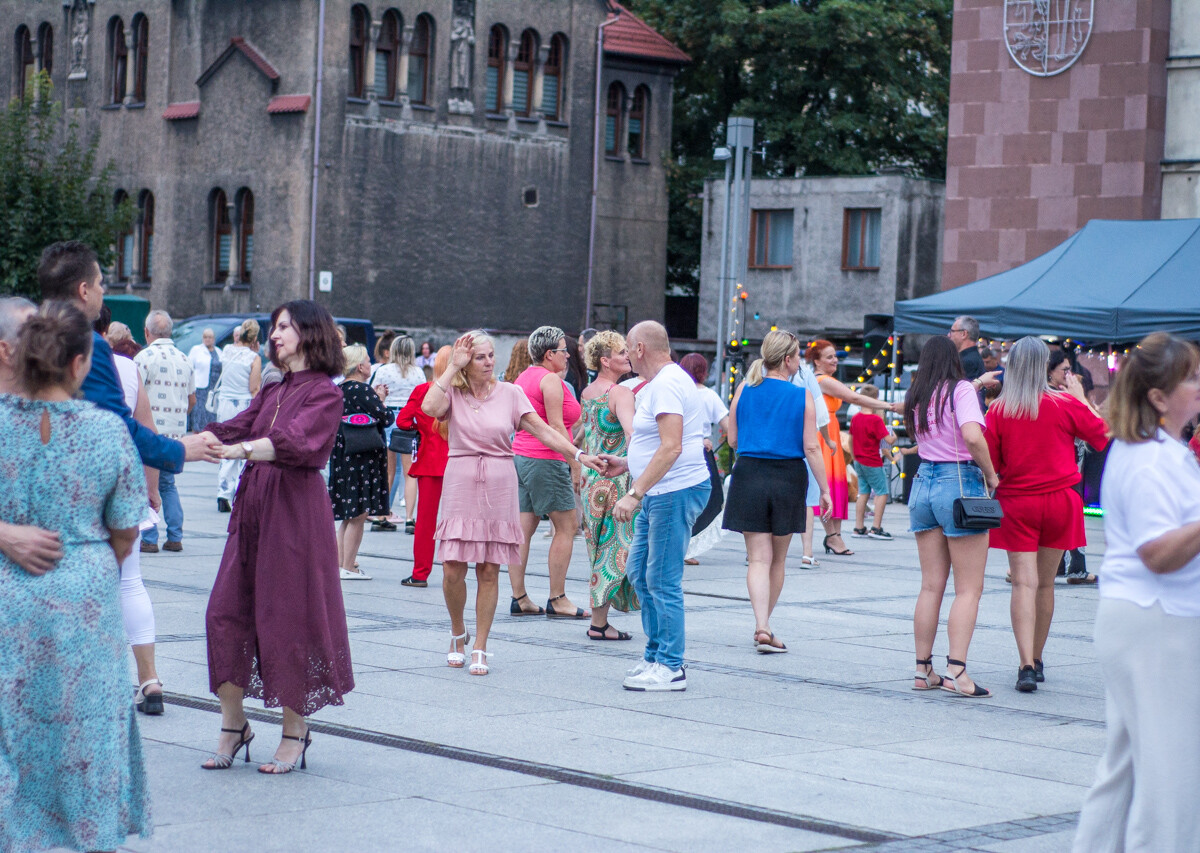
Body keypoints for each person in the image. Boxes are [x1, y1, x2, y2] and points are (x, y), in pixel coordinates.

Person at [0, 301, 150, 851]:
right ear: (81, 364)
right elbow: (126, 527)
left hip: (7, 595)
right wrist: (93, 557)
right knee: (86, 728)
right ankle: (88, 835)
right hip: (84, 589)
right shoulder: (108, 431)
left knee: (11, 728)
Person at [198, 300, 354, 774]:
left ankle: (295, 732)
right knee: (224, 614)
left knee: (289, 619)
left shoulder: (325, 393)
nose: (275, 334)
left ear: (310, 333)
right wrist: (167, 447)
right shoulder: (274, 389)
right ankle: (234, 725)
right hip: (253, 512)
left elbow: (295, 443)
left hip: (293, 515)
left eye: (284, 326)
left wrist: (242, 449)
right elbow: (233, 427)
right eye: (273, 327)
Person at [1073, 333, 1200, 852]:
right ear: (1158, 397)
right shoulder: (1151, 458)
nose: (1199, 387)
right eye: (1190, 378)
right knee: (1171, 773)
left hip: (1142, 619)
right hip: (1157, 621)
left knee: (1125, 766)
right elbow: (1157, 553)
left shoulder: (1151, 450)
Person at [421, 331, 605, 676]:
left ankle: (481, 645)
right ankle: (458, 632)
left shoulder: (511, 393)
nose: (489, 362)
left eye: (491, 355)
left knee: (489, 568)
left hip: (499, 478)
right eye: (480, 357)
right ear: (466, 362)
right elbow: (430, 407)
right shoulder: (454, 394)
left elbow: (544, 430)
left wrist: (578, 454)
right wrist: (450, 370)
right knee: (451, 568)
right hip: (461, 477)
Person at [986, 337, 1109, 692]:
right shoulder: (1063, 404)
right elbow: (1101, 436)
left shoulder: (998, 410)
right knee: (1044, 583)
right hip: (1060, 500)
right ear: (1043, 367)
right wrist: (1081, 397)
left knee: (1023, 582)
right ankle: (1038, 658)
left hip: (1018, 501)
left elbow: (992, 464)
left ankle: (1024, 663)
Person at [36, 241, 221, 472]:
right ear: (84, 290)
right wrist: (180, 450)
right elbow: (117, 427)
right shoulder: (86, 344)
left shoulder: (24, 335)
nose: (103, 291)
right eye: (100, 283)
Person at [602, 322, 711, 692]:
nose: (627, 355)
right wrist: (627, 464)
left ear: (640, 349)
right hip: (660, 489)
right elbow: (656, 445)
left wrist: (634, 493)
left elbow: (671, 446)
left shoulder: (665, 384)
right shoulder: (665, 381)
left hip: (671, 491)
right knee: (641, 573)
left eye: (628, 348)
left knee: (661, 579)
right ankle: (655, 655)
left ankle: (671, 665)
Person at [724, 331, 832, 654]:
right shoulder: (802, 397)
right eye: (798, 356)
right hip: (787, 477)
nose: (800, 362)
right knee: (778, 559)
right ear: (787, 360)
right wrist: (825, 490)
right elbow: (811, 447)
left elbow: (731, 439)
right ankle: (765, 626)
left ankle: (762, 626)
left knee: (757, 558)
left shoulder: (744, 389)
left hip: (749, 473)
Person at [905, 335, 1000, 698]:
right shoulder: (960, 390)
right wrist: (990, 474)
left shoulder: (919, 396)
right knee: (968, 588)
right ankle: (957, 672)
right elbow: (973, 436)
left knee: (930, 585)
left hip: (923, 483)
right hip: (958, 482)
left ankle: (922, 670)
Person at [97, 309, 167, 716]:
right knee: (131, 582)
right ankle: (149, 679)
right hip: (123, 484)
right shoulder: (126, 366)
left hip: (75, 491)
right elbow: (147, 431)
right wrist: (152, 489)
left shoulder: (50, 361)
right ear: (106, 331)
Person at [510, 326, 588, 619]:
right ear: (548, 354)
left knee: (523, 530)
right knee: (566, 526)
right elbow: (556, 427)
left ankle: (520, 597)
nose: (568, 355)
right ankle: (558, 598)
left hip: (522, 456)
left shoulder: (524, 377)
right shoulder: (549, 380)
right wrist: (576, 462)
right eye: (562, 350)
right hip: (546, 459)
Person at [805, 339, 897, 556]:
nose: (834, 360)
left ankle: (835, 536)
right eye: (829, 357)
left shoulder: (823, 379)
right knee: (826, 485)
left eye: (835, 356)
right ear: (817, 362)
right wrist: (889, 406)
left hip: (830, 430)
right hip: (822, 433)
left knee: (836, 485)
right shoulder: (822, 380)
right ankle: (832, 536)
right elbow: (853, 397)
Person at [579, 331, 639, 640]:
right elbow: (632, 435)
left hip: (592, 483)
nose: (628, 356)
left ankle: (599, 620)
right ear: (605, 360)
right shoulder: (620, 393)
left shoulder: (588, 392)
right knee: (615, 550)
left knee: (597, 550)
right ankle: (599, 624)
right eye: (621, 352)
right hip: (616, 481)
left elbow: (586, 435)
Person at [329, 344, 394, 581]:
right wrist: (381, 400)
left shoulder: (339, 389)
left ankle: (339, 565)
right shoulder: (362, 390)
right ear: (360, 366)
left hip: (342, 455)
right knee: (359, 514)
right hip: (362, 457)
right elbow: (386, 418)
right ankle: (349, 566)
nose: (370, 363)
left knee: (348, 514)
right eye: (368, 360)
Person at [134, 311, 195, 554]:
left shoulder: (143, 358)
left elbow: (134, 395)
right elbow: (192, 400)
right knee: (168, 485)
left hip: (149, 432)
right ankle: (175, 536)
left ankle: (149, 537)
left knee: (146, 484)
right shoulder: (185, 358)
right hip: (175, 433)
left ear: (147, 333)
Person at [395, 346, 452, 588]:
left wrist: (420, 429)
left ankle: (420, 573)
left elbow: (402, 420)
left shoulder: (423, 391)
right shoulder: (465, 393)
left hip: (430, 462)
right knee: (459, 521)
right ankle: (455, 572)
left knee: (426, 522)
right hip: (460, 462)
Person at [1047, 348, 1099, 584]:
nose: (1070, 375)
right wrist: (1081, 399)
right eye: (1065, 370)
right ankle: (1075, 568)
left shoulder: (1048, 395)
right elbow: (1097, 429)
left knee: (1061, 518)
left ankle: (1057, 565)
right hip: (1065, 468)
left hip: (1061, 466)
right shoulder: (1062, 398)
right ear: (1050, 372)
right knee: (1071, 516)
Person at [678, 352, 729, 566]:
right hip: (700, 451)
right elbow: (727, 425)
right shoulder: (708, 395)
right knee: (705, 499)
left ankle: (678, 546)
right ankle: (687, 547)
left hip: (676, 450)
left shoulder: (677, 392)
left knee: (679, 499)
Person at [371, 336, 425, 532]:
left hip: (388, 419)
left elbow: (373, 393)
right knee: (410, 472)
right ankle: (410, 518)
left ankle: (380, 515)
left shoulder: (383, 371)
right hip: (409, 420)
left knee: (387, 470)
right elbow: (422, 398)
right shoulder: (418, 373)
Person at [213, 319, 263, 512]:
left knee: (226, 445)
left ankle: (222, 490)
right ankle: (237, 490)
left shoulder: (226, 351)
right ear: (255, 338)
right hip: (243, 404)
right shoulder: (253, 358)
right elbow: (254, 387)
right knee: (243, 447)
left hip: (225, 402)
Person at [791, 350, 833, 566]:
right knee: (808, 499)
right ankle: (807, 552)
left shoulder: (759, 371)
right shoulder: (804, 373)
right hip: (803, 438)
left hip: (770, 444)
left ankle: (755, 553)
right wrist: (828, 439)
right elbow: (820, 409)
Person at [849, 385, 898, 539]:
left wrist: (854, 456)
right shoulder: (876, 420)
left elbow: (850, 439)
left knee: (863, 492)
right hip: (872, 461)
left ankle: (859, 527)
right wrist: (895, 436)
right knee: (882, 492)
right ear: (876, 399)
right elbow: (888, 440)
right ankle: (876, 527)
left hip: (858, 460)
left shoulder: (855, 418)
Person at [188, 327, 222, 432]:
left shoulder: (219, 351)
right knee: (199, 415)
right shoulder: (196, 350)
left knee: (212, 415)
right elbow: (189, 367)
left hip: (215, 389)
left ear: (214, 339)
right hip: (201, 388)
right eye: (205, 337)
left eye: (210, 337)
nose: (207, 339)